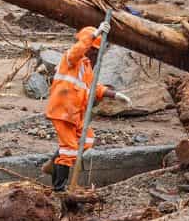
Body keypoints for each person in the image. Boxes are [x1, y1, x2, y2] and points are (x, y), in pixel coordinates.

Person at [45, 25, 131, 191]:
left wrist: (114, 94)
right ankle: (60, 188)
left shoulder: (86, 68)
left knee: (87, 139)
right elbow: (78, 50)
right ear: (89, 46)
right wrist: (94, 35)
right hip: (62, 111)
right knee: (69, 150)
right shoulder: (70, 59)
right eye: (94, 50)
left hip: (75, 114)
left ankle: (54, 162)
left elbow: (94, 88)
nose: (96, 54)